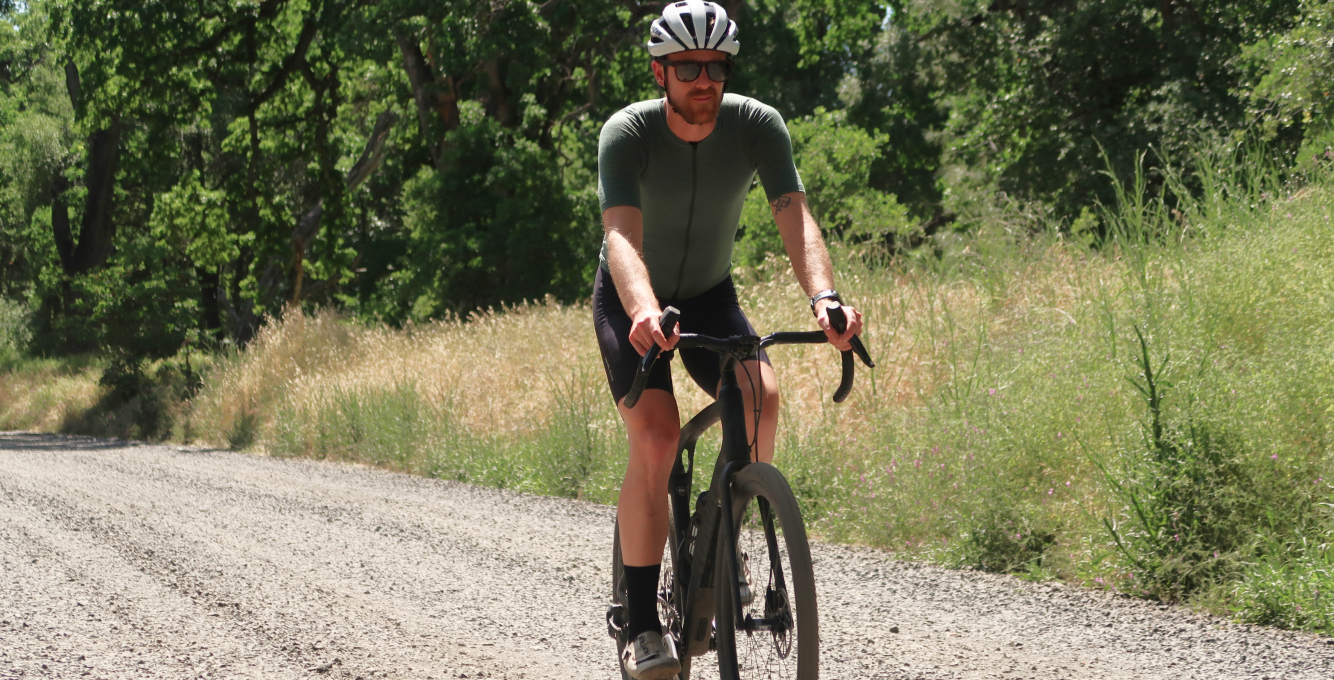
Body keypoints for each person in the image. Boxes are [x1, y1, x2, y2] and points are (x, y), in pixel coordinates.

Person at [595, 1, 863, 677]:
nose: (705, 79)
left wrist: (825, 298)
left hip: (710, 295)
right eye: (688, 67)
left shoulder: (756, 126)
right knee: (656, 437)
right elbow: (621, 234)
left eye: (716, 66)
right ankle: (640, 620)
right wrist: (643, 309)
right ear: (660, 72)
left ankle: (726, 540)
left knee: (760, 395)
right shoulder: (626, 133)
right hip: (635, 299)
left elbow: (794, 215)